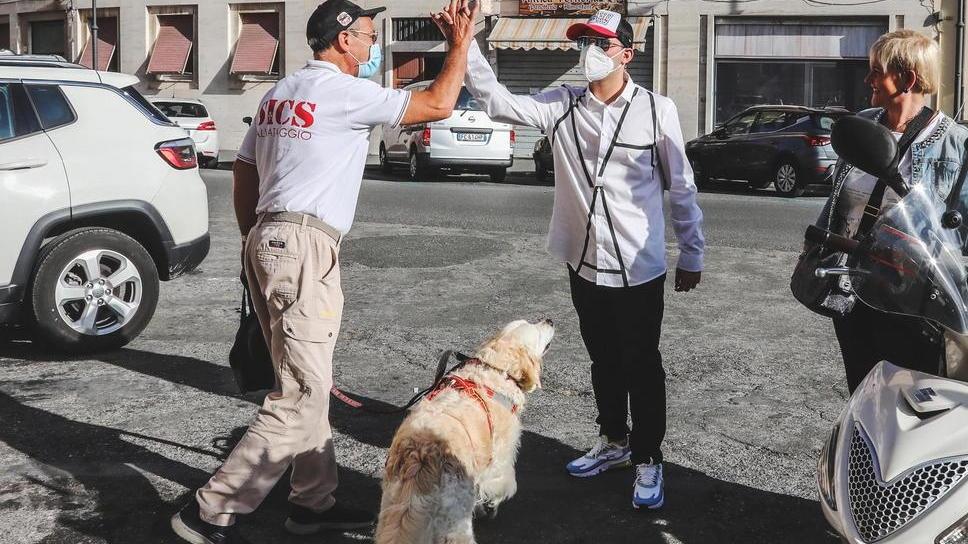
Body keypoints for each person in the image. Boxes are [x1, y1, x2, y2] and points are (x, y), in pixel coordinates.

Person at [170, 1, 479, 542]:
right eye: (367, 35)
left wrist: (254, 242)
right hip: (305, 245)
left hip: (270, 236)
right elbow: (438, 102)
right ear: (342, 40)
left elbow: (244, 168)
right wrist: (460, 44)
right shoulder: (342, 92)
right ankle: (209, 509)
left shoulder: (279, 94)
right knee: (299, 395)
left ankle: (312, 503)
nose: (371, 46)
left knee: (306, 382)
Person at [460, 9, 705, 509]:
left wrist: (692, 252)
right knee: (603, 361)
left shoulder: (657, 110)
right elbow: (498, 102)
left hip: (640, 265)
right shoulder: (563, 104)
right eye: (583, 42)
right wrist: (466, 45)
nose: (588, 52)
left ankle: (647, 458)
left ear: (626, 55)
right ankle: (614, 442)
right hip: (585, 260)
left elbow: (681, 187)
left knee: (642, 364)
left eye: (600, 43)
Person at [814, 29, 968, 393]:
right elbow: (837, 198)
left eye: (875, 71)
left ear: (907, 79)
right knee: (863, 389)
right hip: (854, 291)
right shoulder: (862, 127)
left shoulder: (956, 144)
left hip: (915, 303)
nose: (867, 79)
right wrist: (816, 246)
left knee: (910, 398)